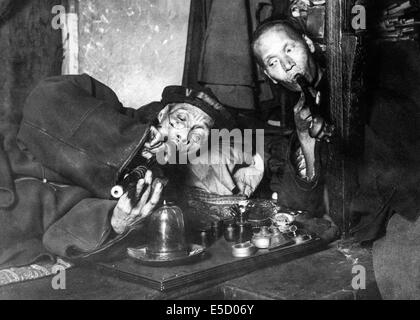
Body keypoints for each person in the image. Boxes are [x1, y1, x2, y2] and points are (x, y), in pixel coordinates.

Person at [0, 74, 261, 268]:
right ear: (162, 114)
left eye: (197, 135)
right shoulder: (111, 108)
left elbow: (59, 233)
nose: (183, 135)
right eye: (181, 119)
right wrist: (132, 143)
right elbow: (44, 98)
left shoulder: (155, 186)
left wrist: (116, 222)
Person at [251, 19, 337, 235]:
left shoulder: (348, 85)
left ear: (308, 43)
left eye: (289, 49)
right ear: (270, 76)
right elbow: (304, 206)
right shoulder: (300, 111)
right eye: (273, 62)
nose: (287, 64)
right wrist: (304, 138)